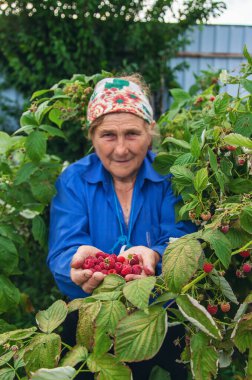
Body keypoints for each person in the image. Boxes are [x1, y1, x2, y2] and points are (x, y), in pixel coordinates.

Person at [47, 74, 195, 379]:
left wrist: (155, 255)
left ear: (150, 131)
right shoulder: (74, 181)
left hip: (162, 313)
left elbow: (183, 235)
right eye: (108, 135)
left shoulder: (172, 178)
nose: (120, 149)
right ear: (91, 136)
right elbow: (63, 249)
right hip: (96, 316)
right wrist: (76, 266)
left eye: (132, 134)